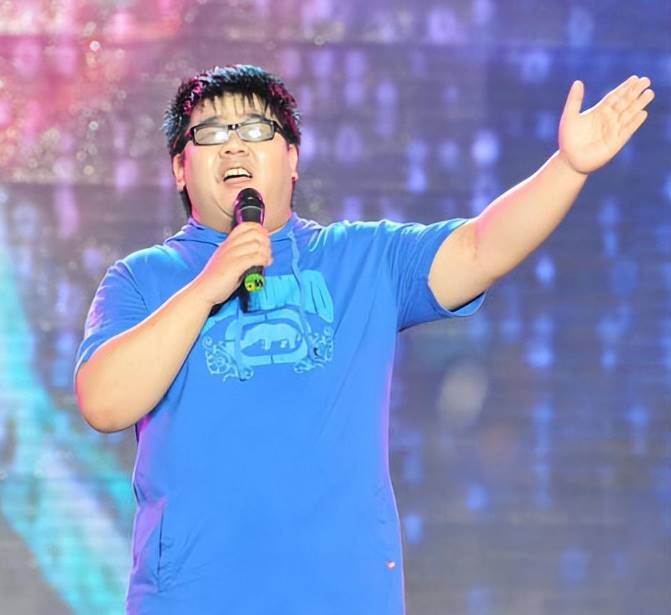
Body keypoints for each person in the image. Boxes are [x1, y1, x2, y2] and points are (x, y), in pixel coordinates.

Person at [73, 64, 654, 615]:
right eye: (211, 132)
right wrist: (207, 286)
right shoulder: (142, 279)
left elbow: (480, 248)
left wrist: (567, 168)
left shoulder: (361, 258)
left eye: (255, 129)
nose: (234, 146)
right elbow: (105, 402)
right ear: (180, 168)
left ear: (292, 159)